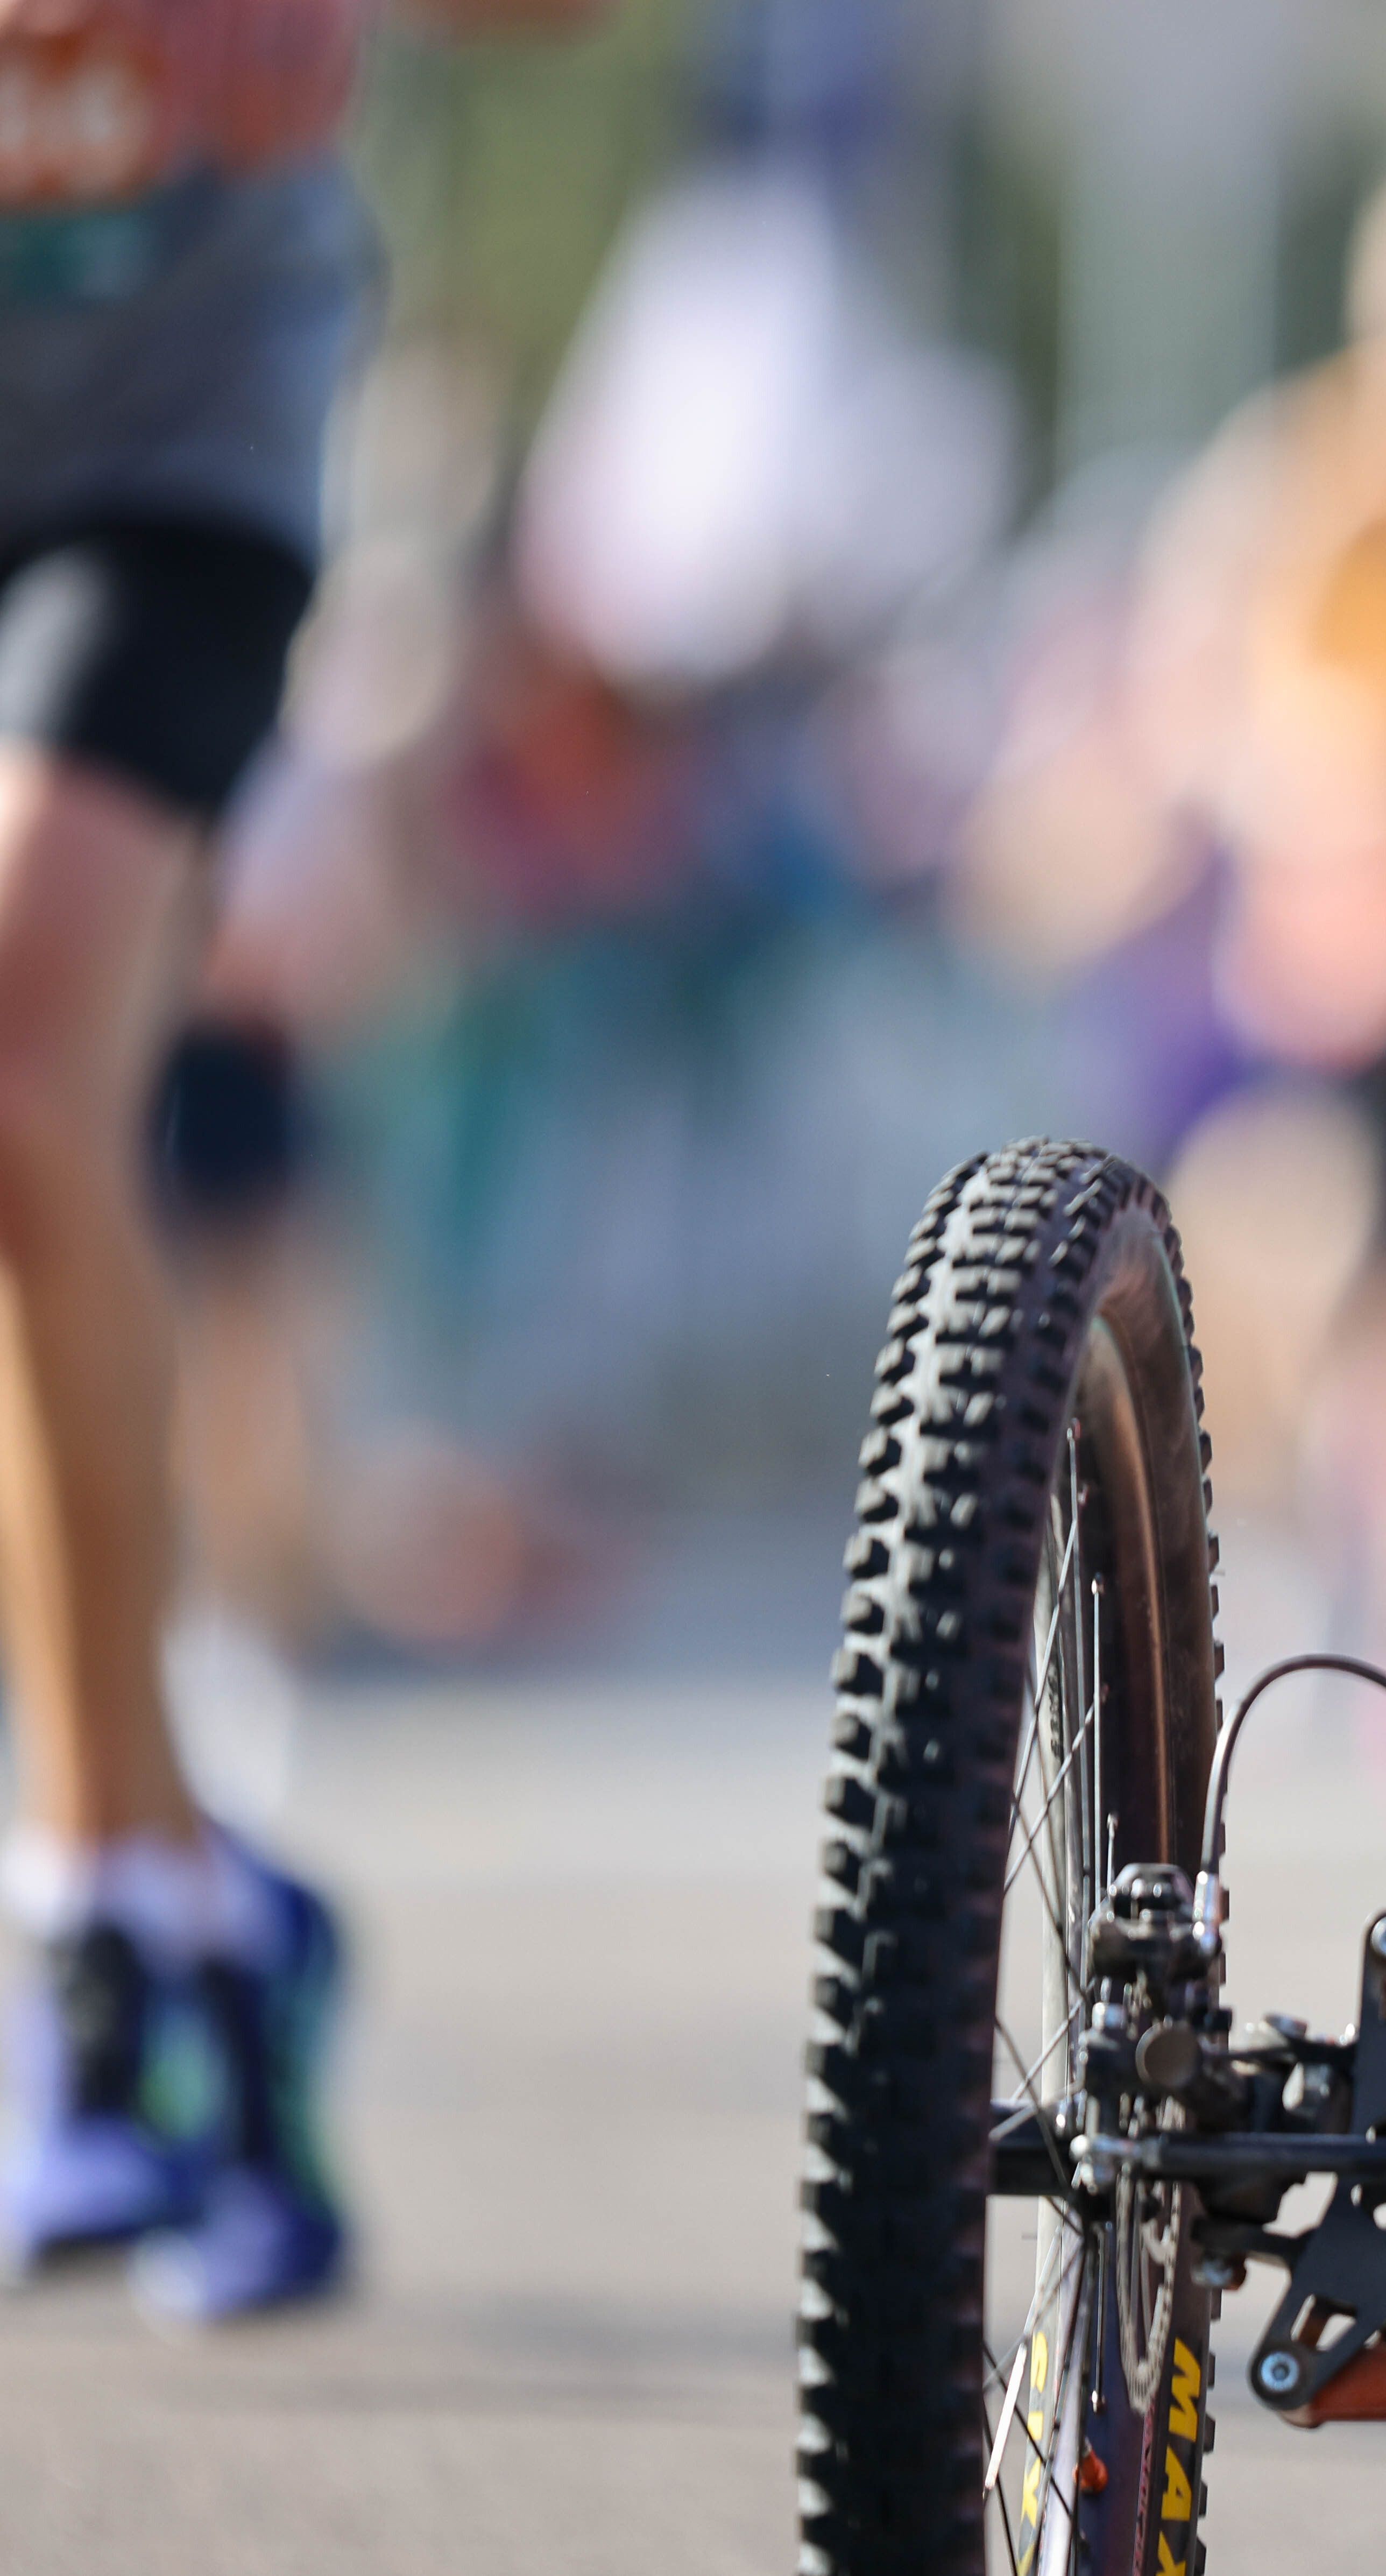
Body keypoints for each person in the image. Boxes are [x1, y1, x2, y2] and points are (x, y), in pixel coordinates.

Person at [0, 0, 580, 2324]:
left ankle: (107, 1929)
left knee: (29, 1058)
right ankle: (196, 1912)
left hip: (173, 467)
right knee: (29, 1185)